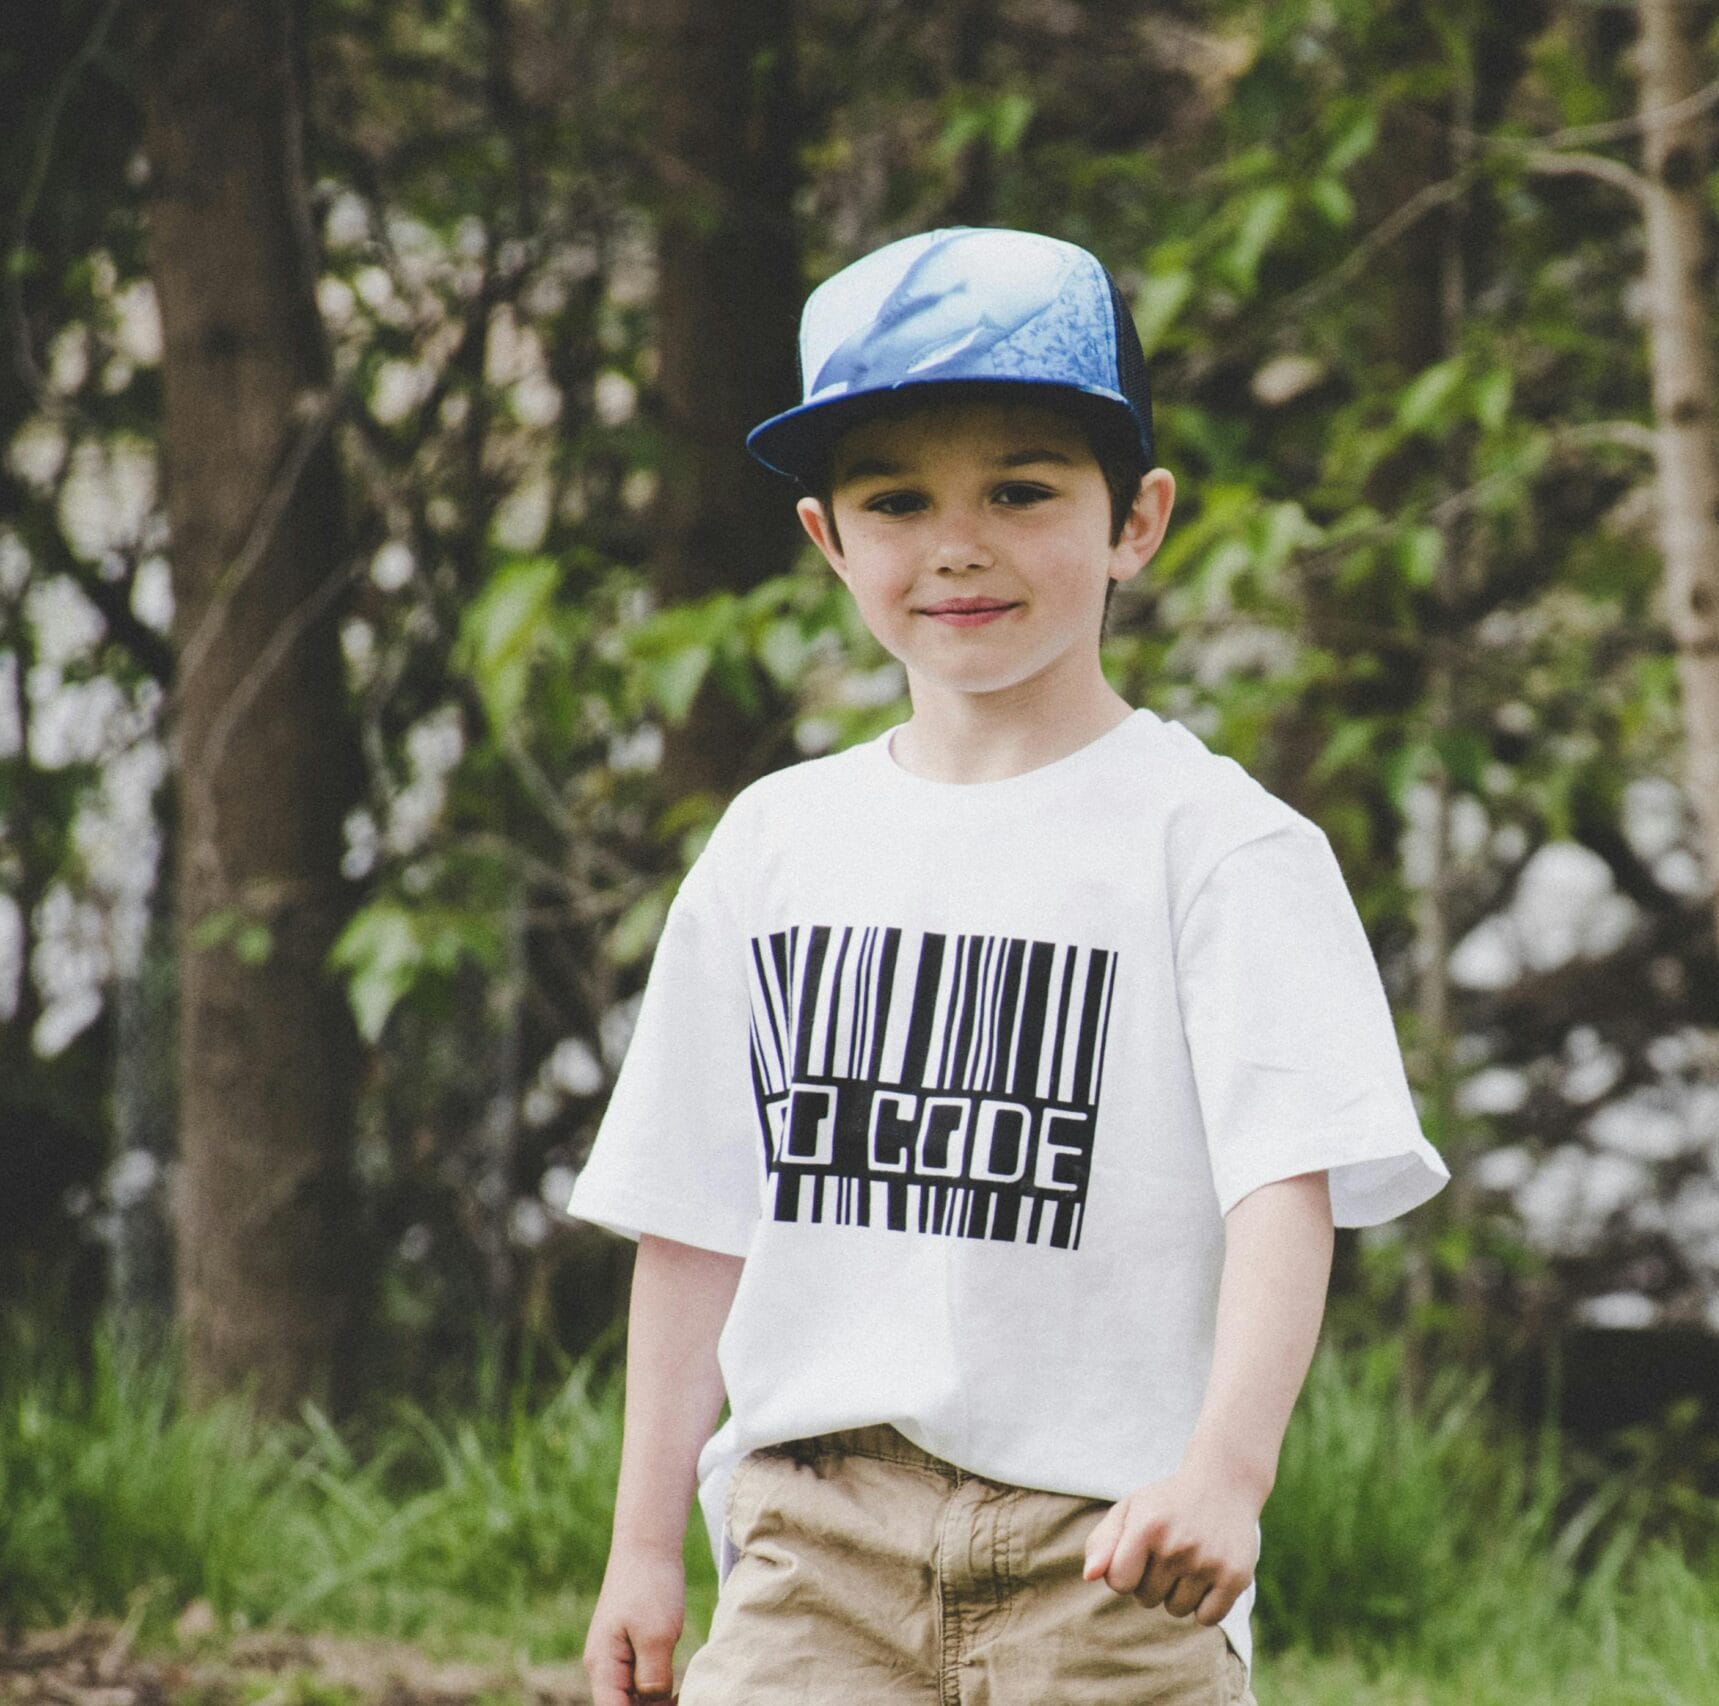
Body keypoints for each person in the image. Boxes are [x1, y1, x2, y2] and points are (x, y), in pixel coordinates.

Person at [568, 225, 1449, 1706]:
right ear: (826, 540)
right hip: (812, 1534)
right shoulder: (777, 843)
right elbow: (690, 1218)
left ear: (1138, 520)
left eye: (1022, 489)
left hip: (1109, 1554)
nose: (957, 542)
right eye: (896, 498)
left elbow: (1283, 1195)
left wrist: (1228, 1473)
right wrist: (643, 1544)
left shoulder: (1220, 843)